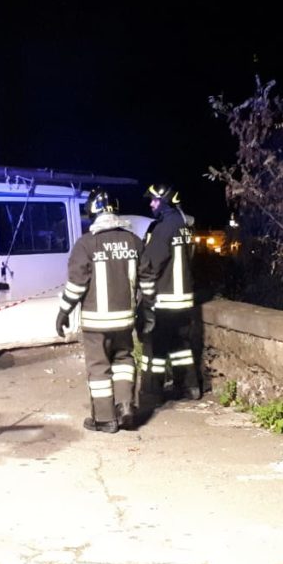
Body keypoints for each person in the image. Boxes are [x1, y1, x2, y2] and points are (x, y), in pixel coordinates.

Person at [56, 190, 151, 433]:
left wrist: (63, 312)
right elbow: (148, 281)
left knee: (99, 367)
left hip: (96, 324)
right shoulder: (133, 241)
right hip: (125, 322)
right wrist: (148, 311)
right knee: (124, 361)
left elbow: (76, 285)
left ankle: (105, 419)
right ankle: (126, 406)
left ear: (93, 212)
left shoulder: (86, 244)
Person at [138, 183, 202, 403]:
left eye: (154, 200)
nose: (151, 204)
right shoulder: (184, 225)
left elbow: (151, 264)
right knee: (181, 346)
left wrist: (142, 295)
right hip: (184, 300)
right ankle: (189, 387)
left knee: (155, 348)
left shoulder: (164, 227)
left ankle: (152, 392)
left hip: (164, 300)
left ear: (163, 201)